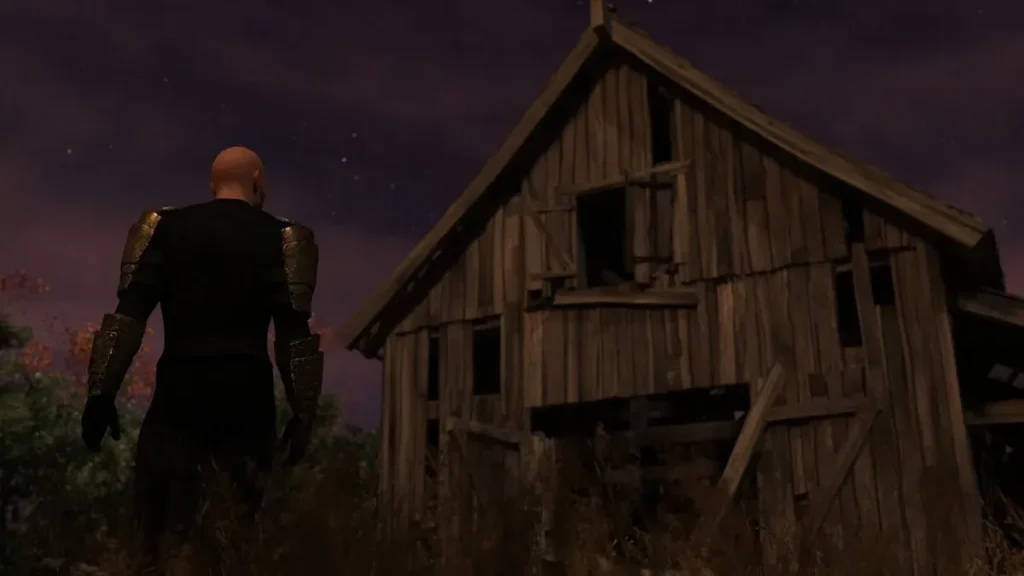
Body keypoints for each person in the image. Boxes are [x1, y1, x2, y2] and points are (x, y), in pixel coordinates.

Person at [79, 146, 323, 571]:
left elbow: (128, 316)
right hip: (247, 401)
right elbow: (293, 335)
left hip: (178, 394)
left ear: (213, 185)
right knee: (233, 537)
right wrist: (303, 414)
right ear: (258, 183)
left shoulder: (162, 227)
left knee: (154, 533)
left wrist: (101, 394)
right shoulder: (285, 238)